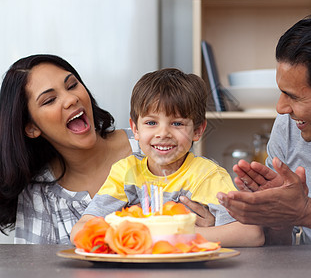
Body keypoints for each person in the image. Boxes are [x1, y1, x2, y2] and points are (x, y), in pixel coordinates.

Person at [217, 9, 311, 245]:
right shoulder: (289, 128)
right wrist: (278, 219)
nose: (281, 108)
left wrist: (304, 210)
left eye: (294, 97)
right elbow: (280, 248)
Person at [70, 68, 264, 247]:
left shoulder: (206, 175)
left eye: (177, 124)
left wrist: (172, 236)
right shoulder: (126, 171)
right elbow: (80, 229)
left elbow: (251, 233)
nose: (163, 133)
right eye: (151, 122)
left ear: (197, 131)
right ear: (135, 129)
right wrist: (129, 231)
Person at [0, 54, 143, 244]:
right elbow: (35, 271)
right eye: (50, 100)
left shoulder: (150, 146)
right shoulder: (40, 193)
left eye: (72, 85)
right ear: (31, 128)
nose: (71, 99)